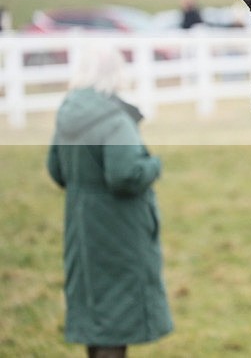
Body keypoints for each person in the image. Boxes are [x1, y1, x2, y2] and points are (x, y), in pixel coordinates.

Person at [47, 48, 172, 358]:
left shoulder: (68, 112)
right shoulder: (114, 119)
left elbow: (56, 169)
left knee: (97, 313)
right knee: (118, 316)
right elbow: (125, 174)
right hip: (118, 231)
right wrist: (153, 165)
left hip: (81, 224)